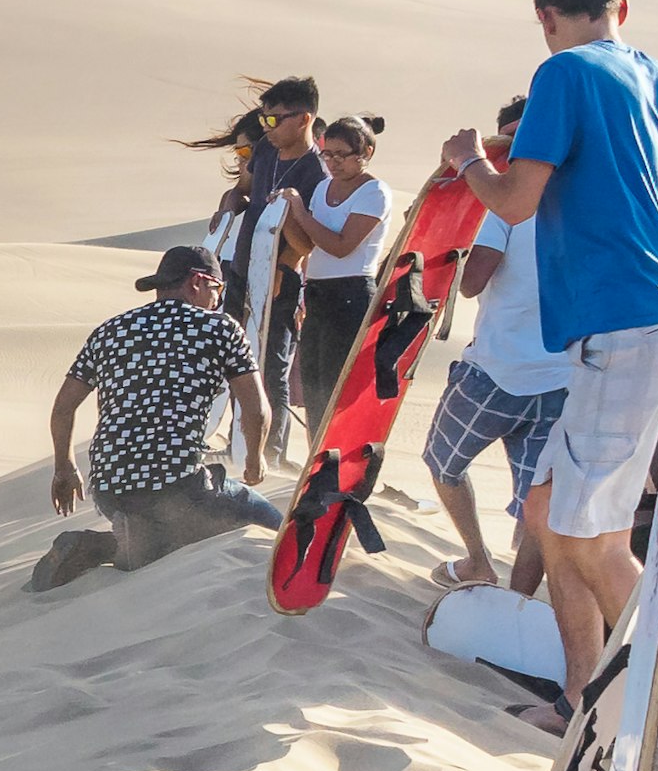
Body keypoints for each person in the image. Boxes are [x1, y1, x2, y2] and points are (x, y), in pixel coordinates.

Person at [439, 0, 658, 717]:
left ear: (545, 18)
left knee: (593, 540)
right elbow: (603, 174)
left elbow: (517, 202)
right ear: (622, 9)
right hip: (654, 314)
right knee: (548, 508)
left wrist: (466, 164)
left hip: (625, 321)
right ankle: (581, 694)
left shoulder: (563, 73)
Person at [28, 244, 278, 592]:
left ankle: (114, 545)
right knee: (269, 525)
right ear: (196, 282)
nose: (217, 300)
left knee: (152, 542)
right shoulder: (221, 329)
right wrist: (254, 460)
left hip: (109, 489)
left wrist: (65, 468)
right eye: (216, 289)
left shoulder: (110, 331)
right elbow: (256, 409)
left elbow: (63, 407)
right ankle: (124, 544)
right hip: (180, 488)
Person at [420, 94, 565, 596]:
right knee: (535, 497)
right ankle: (518, 599)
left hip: (497, 372)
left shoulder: (502, 205)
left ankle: (479, 561)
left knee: (443, 462)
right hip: (562, 379)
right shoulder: (578, 203)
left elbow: (470, 283)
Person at [185, 77, 324, 461]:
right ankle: (233, 443)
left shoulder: (316, 174)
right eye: (265, 120)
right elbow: (243, 187)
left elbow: (307, 242)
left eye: (275, 120)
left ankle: (269, 453)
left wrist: (282, 266)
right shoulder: (265, 150)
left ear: (304, 119)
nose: (268, 128)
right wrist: (228, 205)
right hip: (240, 271)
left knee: (269, 368)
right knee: (231, 360)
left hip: (279, 282)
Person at [286, 115, 392, 423]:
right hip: (318, 293)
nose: (333, 162)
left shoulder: (374, 192)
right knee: (313, 384)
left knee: (336, 387)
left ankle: (336, 462)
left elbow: (342, 245)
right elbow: (308, 245)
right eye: (327, 154)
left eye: (341, 155)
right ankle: (316, 462)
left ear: (366, 153)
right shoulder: (322, 189)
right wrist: (286, 216)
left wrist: (301, 213)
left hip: (351, 295)